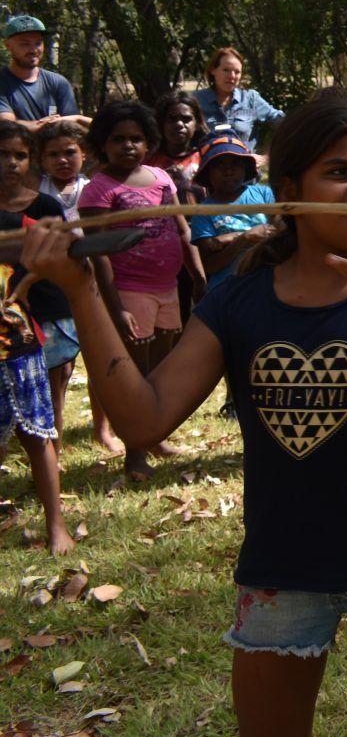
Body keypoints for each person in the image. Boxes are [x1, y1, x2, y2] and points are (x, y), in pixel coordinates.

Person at [22, 93, 347, 737]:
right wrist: (79, 289)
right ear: (289, 195)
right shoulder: (239, 300)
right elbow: (144, 422)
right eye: (339, 172)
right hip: (282, 574)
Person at [80, 99, 206, 480]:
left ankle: (157, 435)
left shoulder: (163, 178)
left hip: (168, 288)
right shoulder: (98, 191)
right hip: (130, 291)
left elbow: (182, 232)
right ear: (103, 143)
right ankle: (134, 454)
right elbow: (99, 254)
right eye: (118, 139)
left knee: (163, 366)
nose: (128, 146)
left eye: (136, 138)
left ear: (149, 141)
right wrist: (116, 306)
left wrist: (198, 279)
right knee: (136, 370)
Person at [33, 119, 119, 453]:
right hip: (51, 288)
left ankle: (103, 430)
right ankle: (55, 437)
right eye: (53, 154)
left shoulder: (93, 189)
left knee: (99, 358)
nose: (62, 160)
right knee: (60, 367)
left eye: (70, 152)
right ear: (41, 159)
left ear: (84, 154)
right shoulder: (37, 193)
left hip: (93, 281)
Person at [0, 249, 72, 555]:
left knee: (37, 438)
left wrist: (27, 281)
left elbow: (53, 250)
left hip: (17, 349)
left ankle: (56, 525)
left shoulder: (11, 224)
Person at [189, 133, 278, 291]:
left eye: (235, 164)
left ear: (245, 168)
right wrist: (242, 238)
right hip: (227, 292)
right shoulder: (202, 212)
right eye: (219, 165)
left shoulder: (264, 194)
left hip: (268, 286)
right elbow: (211, 266)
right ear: (207, 172)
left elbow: (279, 233)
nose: (228, 171)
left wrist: (228, 239)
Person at [0, 14, 91, 133]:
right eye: (25, 44)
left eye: (38, 43)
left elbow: (71, 129)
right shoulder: (3, 82)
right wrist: (47, 125)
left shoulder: (58, 82)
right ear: (8, 46)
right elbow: (6, 127)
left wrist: (75, 120)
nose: (33, 50)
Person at [192, 47, 284, 151]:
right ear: (213, 70)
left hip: (245, 165)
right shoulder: (196, 101)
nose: (232, 76)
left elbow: (283, 124)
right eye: (226, 70)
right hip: (206, 165)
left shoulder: (251, 99)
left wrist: (267, 157)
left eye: (237, 72)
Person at [148, 91, 210, 195]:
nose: (179, 124)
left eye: (186, 119)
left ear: (197, 123)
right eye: (172, 119)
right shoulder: (149, 161)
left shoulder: (207, 159)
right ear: (161, 123)